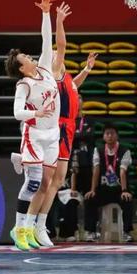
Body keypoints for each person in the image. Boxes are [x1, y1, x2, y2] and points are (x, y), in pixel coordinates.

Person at [31, 2, 97, 247]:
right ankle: (33, 223)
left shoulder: (66, 78)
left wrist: (87, 69)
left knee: (58, 180)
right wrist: (59, 20)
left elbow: (74, 86)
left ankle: (40, 225)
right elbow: (61, 45)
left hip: (67, 128)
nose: (60, 57)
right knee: (49, 180)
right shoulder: (54, 71)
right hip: (57, 127)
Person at [5, 0, 60, 251]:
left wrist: (46, 13)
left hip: (53, 134)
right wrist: (37, 113)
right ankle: (19, 229)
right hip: (34, 135)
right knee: (34, 183)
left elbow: (46, 40)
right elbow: (17, 112)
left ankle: (29, 227)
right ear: (22, 68)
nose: (29, 55)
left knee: (47, 184)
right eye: (25, 57)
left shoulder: (46, 69)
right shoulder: (24, 84)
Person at [84, 123, 134, 242]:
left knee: (127, 200)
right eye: (107, 133)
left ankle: (126, 232)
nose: (110, 136)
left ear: (117, 135)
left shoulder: (125, 151)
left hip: (119, 190)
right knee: (90, 199)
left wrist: (124, 190)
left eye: (112, 133)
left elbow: (122, 171)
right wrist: (93, 190)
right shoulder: (98, 150)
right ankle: (91, 232)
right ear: (103, 136)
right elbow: (96, 170)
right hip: (104, 190)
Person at [59, 99, 95, 241]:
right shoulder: (66, 120)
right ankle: (70, 232)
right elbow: (65, 136)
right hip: (70, 164)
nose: (77, 101)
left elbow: (90, 136)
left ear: (82, 103)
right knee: (70, 198)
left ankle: (90, 231)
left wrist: (75, 135)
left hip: (87, 164)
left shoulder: (89, 120)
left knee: (90, 197)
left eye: (79, 99)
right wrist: (79, 135)